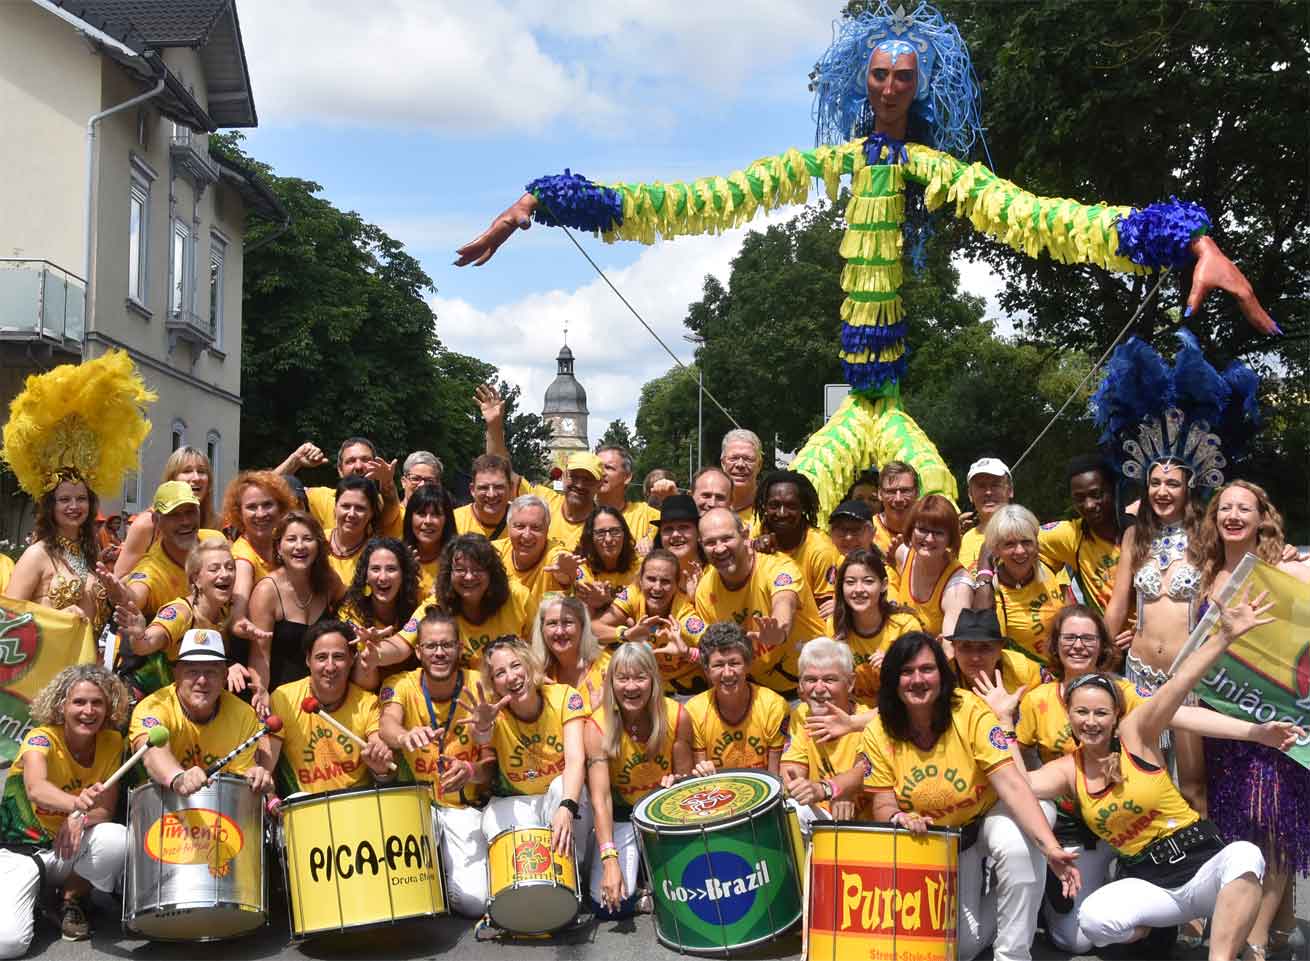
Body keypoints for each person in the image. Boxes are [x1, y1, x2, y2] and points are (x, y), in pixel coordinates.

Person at [455, 1, 1272, 576]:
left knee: (945, 513)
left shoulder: (936, 170)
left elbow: (1050, 218)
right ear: (861, 79)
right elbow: (693, 199)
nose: (888, 87)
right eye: (878, 74)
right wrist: (541, 201)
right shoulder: (825, 164)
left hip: (893, 406)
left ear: (921, 86)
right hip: (854, 411)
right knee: (782, 509)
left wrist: (1189, 236)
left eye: (902, 77)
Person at [985, 601, 1300, 955]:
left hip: (1197, 859)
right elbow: (1018, 783)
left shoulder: (1134, 729)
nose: (1091, 721)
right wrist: (1004, 723)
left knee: (1245, 854)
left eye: (1101, 713)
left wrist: (1225, 641)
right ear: (1068, 715)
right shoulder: (1063, 759)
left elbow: (1178, 692)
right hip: (1140, 871)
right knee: (1087, 926)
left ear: (1116, 713)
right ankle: (1152, 926)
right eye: (1082, 713)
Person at [829, 631, 1077, 961]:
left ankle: (1013, 953)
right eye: (906, 672)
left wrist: (1052, 849)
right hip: (944, 840)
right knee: (964, 948)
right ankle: (1017, 893)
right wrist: (896, 818)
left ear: (941, 675)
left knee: (1018, 848)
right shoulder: (878, 730)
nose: (917, 679)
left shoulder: (969, 710)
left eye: (927, 669)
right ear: (892, 680)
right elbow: (883, 802)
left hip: (991, 815)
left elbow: (1012, 784)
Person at [1096, 332, 1263, 820]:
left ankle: (1200, 882)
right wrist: (1099, 659)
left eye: (1172, 482)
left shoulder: (1209, 537)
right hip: (1139, 672)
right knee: (1142, 779)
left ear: (1190, 485)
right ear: (1143, 486)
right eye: (1154, 482)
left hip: (1189, 674)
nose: (1162, 490)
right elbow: (1117, 605)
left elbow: (1246, 569)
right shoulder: (1135, 537)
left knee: (1192, 785)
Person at [1194, 481, 1310, 960]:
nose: (1234, 516)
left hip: (1275, 711)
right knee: (1237, 823)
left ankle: (1257, 937)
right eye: (1225, 508)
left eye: (1245, 508)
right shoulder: (1205, 572)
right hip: (1223, 716)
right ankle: (1245, 925)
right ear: (1214, 518)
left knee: (1274, 818)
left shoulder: (1283, 567)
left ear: (1263, 515)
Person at [0, 666, 129, 948]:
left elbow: (105, 811)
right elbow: (36, 788)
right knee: (8, 943)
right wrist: (75, 804)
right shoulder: (40, 737)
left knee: (116, 838)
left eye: (97, 703)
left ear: (108, 709)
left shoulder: (112, 741)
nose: (89, 711)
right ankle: (37, 896)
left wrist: (78, 818)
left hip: (68, 847)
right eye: (79, 702)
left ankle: (72, 898)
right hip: (22, 852)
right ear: (62, 705)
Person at [379, 609, 490, 918]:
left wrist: (469, 771)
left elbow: (493, 766)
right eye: (431, 646)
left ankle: (443, 874)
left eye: (447, 645)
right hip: (416, 804)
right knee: (400, 902)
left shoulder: (482, 685)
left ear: (459, 648)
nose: (439, 652)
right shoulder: (399, 683)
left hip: (461, 807)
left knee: (474, 903)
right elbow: (387, 724)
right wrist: (403, 737)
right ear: (418, 651)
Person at [465, 636, 593, 890]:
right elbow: (481, 736)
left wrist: (566, 807)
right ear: (493, 684)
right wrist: (481, 725)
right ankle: (527, 889)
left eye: (515, 665)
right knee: (491, 817)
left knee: (562, 787)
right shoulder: (492, 714)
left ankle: (571, 881)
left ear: (529, 664)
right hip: (518, 801)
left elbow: (576, 760)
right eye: (500, 673)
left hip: (560, 796)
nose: (511, 677)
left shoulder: (564, 696)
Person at [584, 642, 693, 917]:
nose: (631, 687)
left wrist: (676, 784)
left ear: (654, 680)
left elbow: (686, 783)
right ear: (611, 683)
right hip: (623, 817)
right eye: (623, 678)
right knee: (608, 907)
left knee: (690, 890)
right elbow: (601, 799)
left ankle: (649, 876)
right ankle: (638, 876)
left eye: (640, 677)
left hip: (664, 817)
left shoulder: (677, 715)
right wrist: (610, 859)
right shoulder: (597, 726)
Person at [695, 507, 827, 697]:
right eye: (710, 542)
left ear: (745, 534)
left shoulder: (779, 566)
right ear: (701, 544)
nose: (720, 548)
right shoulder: (705, 590)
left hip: (812, 687)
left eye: (726, 539)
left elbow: (784, 602)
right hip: (758, 693)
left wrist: (778, 632)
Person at [129, 629, 274, 796]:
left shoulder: (243, 714)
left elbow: (241, 774)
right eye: (192, 672)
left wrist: (254, 776)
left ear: (225, 676)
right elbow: (152, 752)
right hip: (162, 815)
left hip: (221, 818)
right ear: (176, 674)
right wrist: (177, 777)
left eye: (211, 672)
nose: (202, 680)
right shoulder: (153, 706)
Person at [266, 620, 395, 795]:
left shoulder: (367, 703)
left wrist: (381, 766)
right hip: (306, 809)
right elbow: (266, 769)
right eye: (321, 657)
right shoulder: (283, 699)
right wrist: (272, 800)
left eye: (339, 657)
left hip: (357, 808)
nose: (330, 666)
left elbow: (380, 753)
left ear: (352, 659)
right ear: (307, 660)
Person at [238, 511, 340, 709]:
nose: (299, 546)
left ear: (318, 546)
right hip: (280, 698)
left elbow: (354, 604)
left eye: (308, 539)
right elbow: (260, 656)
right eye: (291, 539)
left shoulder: (329, 582)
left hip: (319, 698)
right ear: (279, 547)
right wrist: (261, 692)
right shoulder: (267, 590)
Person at [116, 537, 235, 697]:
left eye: (230, 568)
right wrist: (138, 635)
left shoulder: (226, 611)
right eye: (214, 569)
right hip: (154, 701)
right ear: (196, 579)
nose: (225, 574)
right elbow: (145, 644)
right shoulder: (181, 613)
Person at [594, 549, 706, 696]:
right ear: (640, 580)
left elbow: (722, 652)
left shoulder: (684, 614)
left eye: (666, 581)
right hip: (648, 685)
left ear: (677, 584)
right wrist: (626, 634)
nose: (657, 588)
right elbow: (594, 629)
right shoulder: (634, 594)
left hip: (686, 689)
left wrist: (687, 653)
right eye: (651, 579)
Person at [780, 638, 863, 836]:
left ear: (850, 683)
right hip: (821, 818)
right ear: (800, 685)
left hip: (868, 825)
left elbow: (865, 770)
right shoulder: (802, 714)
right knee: (790, 809)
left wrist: (834, 789)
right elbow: (790, 771)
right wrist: (799, 787)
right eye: (810, 680)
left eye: (829, 680)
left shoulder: (864, 721)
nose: (818, 689)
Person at [6, 473, 109, 628]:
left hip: (90, 651)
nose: (74, 506)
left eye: (81, 498)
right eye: (64, 499)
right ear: (50, 506)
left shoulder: (92, 550)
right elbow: (8, 617)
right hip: (49, 651)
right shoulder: (37, 554)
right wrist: (56, 617)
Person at [684, 621, 788, 774]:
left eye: (734, 663)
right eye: (718, 665)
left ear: (747, 664)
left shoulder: (774, 706)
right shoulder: (694, 711)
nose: (727, 673)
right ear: (706, 670)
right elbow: (702, 780)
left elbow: (775, 777)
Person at [976, 504, 1070, 665]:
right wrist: (984, 568)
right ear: (996, 549)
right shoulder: (993, 594)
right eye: (1009, 544)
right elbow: (981, 634)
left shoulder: (1050, 566)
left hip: (1065, 668)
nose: (1020, 551)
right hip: (1027, 680)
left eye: (1026, 542)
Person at [122, 481, 224, 620]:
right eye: (174, 515)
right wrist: (121, 594)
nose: (185, 521)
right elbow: (134, 596)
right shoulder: (151, 568)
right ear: (156, 520)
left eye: (190, 511)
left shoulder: (216, 540)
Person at [829, 547, 919, 702]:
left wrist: (894, 665)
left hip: (898, 711)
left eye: (868, 581)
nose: (858, 589)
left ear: (884, 585)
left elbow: (918, 684)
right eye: (850, 582)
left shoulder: (905, 626)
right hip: (852, 711)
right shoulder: (834, 625)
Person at [1038, 455, 1121, 616]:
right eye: (1079, 498)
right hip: (1108, 637)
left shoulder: (1139, 530)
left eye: (1096, 494)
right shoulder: (1072, 536)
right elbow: (1010, 536)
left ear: (1113, 490)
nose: (1089, 505)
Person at [114, 446, 216, 577]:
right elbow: (120, 579)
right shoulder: (148, 524)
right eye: (187, 471)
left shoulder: (214, 523)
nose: (196, 477)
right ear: (171, 478)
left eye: (202, 471)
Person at [434, 534, 533, 668]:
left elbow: (539, 650)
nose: (469, 577)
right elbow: (403, 644)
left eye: (477, 570)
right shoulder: (437, 606)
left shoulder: (518, 597)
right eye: (460, 570)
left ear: (491, 573)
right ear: (448, 574)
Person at [753, 470, 843, 613]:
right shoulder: (756, 535)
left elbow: (825, 612)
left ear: (803, 507)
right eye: (774, 505)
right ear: (764, 506)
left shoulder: (820, 550)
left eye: (791, 506)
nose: (782, 513)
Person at [338, 537, 421, 689]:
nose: (383, 577)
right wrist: (371, 648)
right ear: (366, 576)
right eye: (375, 569)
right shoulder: (350, 612)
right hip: (367, 693)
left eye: (391, 569)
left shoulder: (419, 603)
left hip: (413, 691)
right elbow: (362, 680)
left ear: (403, 575)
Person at [276, 436, 401, 538]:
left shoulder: (381, 503)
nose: (358, 466)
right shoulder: (321, 497)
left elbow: (391, 506)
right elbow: (264, 490)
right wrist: (295, 460)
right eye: (351, 461)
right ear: (340, 470)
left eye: (365, 459)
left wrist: (388, 483)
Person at [219, 470, 295, 627]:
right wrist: (239, 619)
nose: (260, 514)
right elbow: (239, 605)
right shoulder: (243, 557)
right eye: (252, 507)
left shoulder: (284, 545)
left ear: (280, 508)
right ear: (239, 513)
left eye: (267, 505)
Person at [892, 494, 973, 637]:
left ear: (950, 538)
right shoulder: (902, 555)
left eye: (938, 533)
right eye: (922, 529)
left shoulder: (958, 587)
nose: (929, 539)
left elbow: (951, 650)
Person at [494, 495, 576, 610]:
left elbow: (561, 560)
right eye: (520, 526)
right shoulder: (494, 552)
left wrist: (565, 575)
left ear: (547, 530)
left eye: (536, 528)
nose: (527, 535)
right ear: (508, 527)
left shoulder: (555, 554)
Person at [947, 607, 1047, 699]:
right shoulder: (942, 677)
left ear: (1000, 650)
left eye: (985, 647)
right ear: (954, 648)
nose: (975, 657)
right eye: (966, 647)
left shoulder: (1025, 671)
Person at [532, 595, 609, 711]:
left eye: (567, 622)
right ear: (542, 629)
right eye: (552, 623)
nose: (559, 631)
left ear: (582, 627)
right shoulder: (539, 676)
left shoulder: (607, 667)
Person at [575, 507, 640, 615]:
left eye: (615, 531)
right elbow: (586, 617)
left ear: (624, 534)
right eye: (600, 533)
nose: (608, 539)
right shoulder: (582, 567)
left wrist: (607, 602)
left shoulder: (640, 567)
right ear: (591, 537)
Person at [958, 457, 1014, 575]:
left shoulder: (1029, 534)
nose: (988, 492)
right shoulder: (961, 542)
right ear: (970, 495)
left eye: (995, 485)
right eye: (981, 486)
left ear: (1010, 490)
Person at [325, 475, 384, 585]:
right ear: (335, 507)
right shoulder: (317, 541)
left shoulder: (377, 553)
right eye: (345, 506)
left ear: (371, 513)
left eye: (360, 508)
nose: (351, 514)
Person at [404, 483, 457, 600]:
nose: (428, 521)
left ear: (447, 520)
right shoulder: (397, 556)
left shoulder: (457, 560)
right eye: (421, 514)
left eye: (436, 514)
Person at [595, 444, 658, 541]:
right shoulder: (581, 515)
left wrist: (670, 497)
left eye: (608, 468)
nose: (602, 473)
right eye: (598, 468)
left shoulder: (647, 515)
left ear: (627, 477)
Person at [453, 454, 516, 542]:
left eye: (498, 487)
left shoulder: (524, 522)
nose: (491, 494)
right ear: (472, 490)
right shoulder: (454, 522)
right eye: (484, 488)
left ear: (511, 488)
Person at [651, 493, 704, 595]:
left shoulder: (716, 574)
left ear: (698, 532)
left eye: (683, 527)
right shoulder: (650, 577)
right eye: (668, 529)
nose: (675, 534)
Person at [874, 460, 920, 557]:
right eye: (891, 492)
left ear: (917, 493)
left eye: (905, 491)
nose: (898, 499)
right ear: (880, 494)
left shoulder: (930, 532)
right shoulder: (867, 531)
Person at [720, 429, 763, 529]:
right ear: (723, 463)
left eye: (748, 459)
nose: (740, 465)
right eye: (734, 458)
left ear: (759, 464)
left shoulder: (770, 512)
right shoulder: (708, 507)